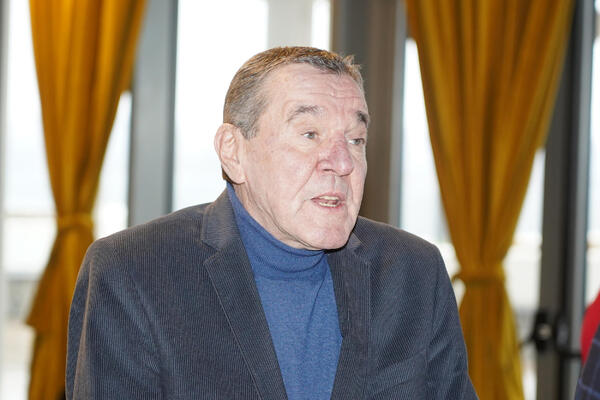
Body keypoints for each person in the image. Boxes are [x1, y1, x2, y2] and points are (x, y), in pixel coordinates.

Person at [66, 46, 477, 399]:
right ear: (233, 152)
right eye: (310, 134)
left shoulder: (413, 272)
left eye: (355, 139)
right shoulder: (133, 271)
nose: (342, 162)